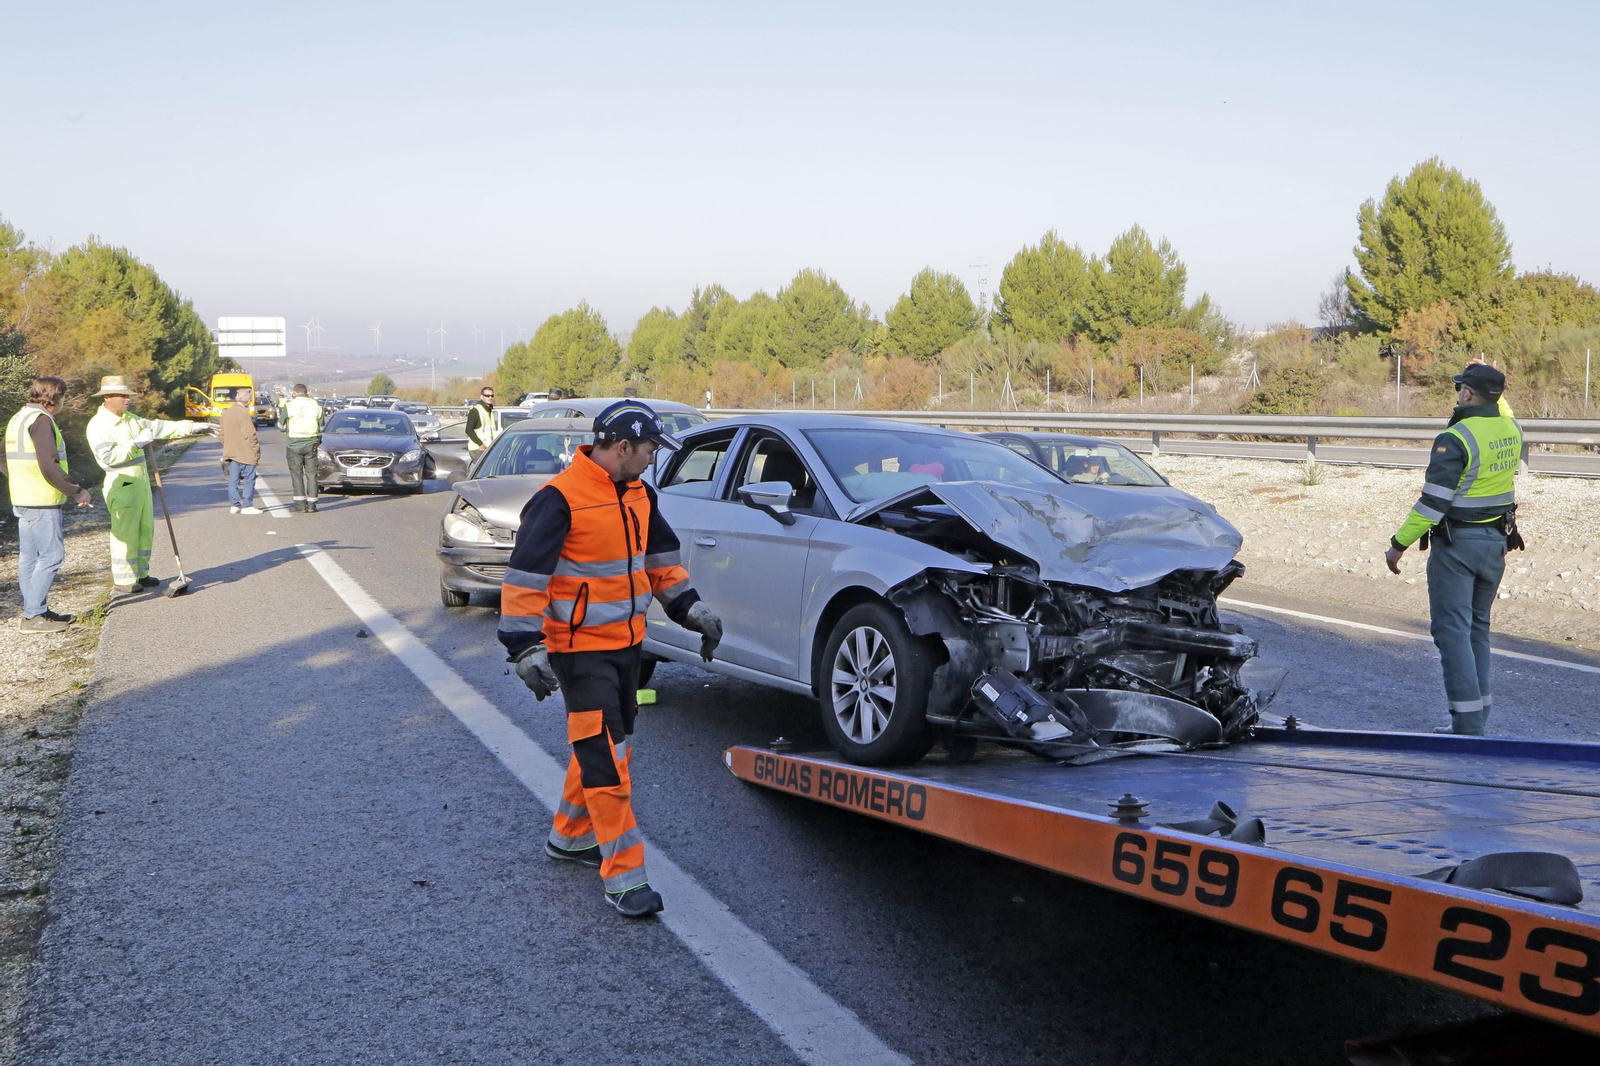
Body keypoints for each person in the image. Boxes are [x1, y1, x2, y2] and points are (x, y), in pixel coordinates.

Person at [497, 400, 723, 918]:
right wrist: (524, 649)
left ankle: (571, 836)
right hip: (578, 653)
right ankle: (625, 878)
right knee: (609, 762)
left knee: (606, 745)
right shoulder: (558, 500)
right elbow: (526, 579)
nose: (652, 460)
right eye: (647, 451)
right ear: (621, 447)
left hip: (627, 648)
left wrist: (695, 611)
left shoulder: (642, 495)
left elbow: (662, 564)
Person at [1384, 363, 1524, 735]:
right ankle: (1479, 719)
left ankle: (1466, 724)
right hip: (1496, 544)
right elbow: (1501, 407)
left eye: (1460, 388)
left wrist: (1399, 544)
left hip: (1458, 546)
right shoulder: (1510, 428)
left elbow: (1432, 503)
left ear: (1467, 393)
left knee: (1451, 632)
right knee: (1478, 628)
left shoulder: (1457, 437)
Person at [84, 376, 211, 594]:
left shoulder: (130, 419)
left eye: (128, 396)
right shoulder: (99, 425)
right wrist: (136, 444)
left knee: (144, 530)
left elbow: (160, 427)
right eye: (123, 396)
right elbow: (108, 458)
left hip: (140, 484)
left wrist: (193, 427)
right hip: (121, 484)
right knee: (126, 532)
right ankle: (124, 579)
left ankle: (141, 573)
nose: (127, 399)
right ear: (107, 398)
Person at [3, 376, 93, 633]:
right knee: (53, 555)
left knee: (29, 558)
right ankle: (33, 616)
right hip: (42, 500)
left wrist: (18, 476)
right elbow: (49, 465)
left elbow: (2, 454)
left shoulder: (19, 418)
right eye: (63, 396)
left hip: (22, 498)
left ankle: (37, 610)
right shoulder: (42, 421)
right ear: (56, 398)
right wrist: (77, 491)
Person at [218, 389, 263, 515]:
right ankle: (247, 505)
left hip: (231, 452)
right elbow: (250, 435)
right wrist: (256, 450)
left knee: (233, 479)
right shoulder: (244, 414)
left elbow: (221, 434)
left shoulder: (226, 412)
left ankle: (234, 504)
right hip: (246, 452)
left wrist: (227, 445)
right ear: (248, 401)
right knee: (249, 478)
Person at [282, 383, 324, 512]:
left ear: (294, 392)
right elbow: (321, 427)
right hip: (311, 445)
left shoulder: (289, 406)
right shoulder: (316, 406)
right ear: (307, 392)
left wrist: (288, 431)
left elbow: (281, 426)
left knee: (297, 474)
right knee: (311, 475)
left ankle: (300, 505)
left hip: (294, 445)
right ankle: (312, 505)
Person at [465, 386, 495, 459]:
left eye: (492, 395)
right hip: (478, 449)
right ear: (481, 397)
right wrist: (481, 444)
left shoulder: (489, 410)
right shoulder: (475, 410)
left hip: (487, 448)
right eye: (487, 395)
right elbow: (468, 430)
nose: (490, 397)